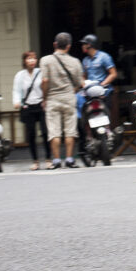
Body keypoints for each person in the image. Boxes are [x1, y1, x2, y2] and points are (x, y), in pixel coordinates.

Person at [40, 33, 85, 169]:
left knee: (54, 131)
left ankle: (57, 160)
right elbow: (79, 83)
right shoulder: (75, 62)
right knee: (70, 130)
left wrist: (44, 97)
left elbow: (45, 81)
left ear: (55, 44)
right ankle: (70, 159)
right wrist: (72, 91)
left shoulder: (45, 60)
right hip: (69, 98)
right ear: (69, 46)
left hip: (52, 98)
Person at [13, 51, 50, 171]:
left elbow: (46, 88)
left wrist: (46, 98)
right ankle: (35, 161)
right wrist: (17, 102)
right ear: (24, 61)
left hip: (41, 105)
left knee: (45, 132)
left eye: (34, 58)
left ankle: (48, 159)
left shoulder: (40, 72)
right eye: (29, 58)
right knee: (31, 135)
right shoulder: (20, 75)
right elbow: (17, 90)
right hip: (28, 106)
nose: (32, 61)